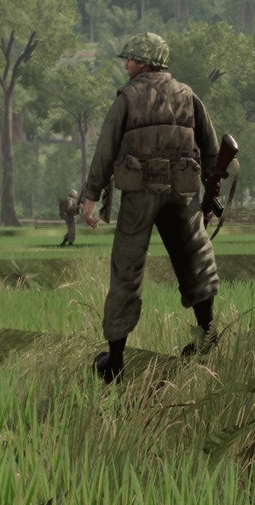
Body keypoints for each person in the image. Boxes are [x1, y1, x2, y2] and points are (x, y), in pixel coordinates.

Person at [80, 33, 221, 382]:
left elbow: (105, 149)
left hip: (140, 193)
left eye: (131, 59)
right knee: (196, 259)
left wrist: (91, 196)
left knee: (127, 269)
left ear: (145, 62)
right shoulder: (188, 95)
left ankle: (115, 361)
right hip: (182, 192)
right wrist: (209, 192)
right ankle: (207, 334)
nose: (126, 65)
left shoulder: (127, 98)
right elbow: (212, 149)